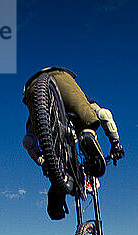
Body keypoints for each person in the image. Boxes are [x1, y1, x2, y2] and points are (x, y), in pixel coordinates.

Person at [22, 67, 125, 220]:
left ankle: (56, 189)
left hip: (31, 90)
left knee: (54, 157)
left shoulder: (35, 110)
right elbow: (104, 114)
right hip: (62, 76)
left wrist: (43, 161)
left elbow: (28, 142)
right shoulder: (84, 95)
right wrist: (115, 143)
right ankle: (87, 134)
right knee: (88, 119)